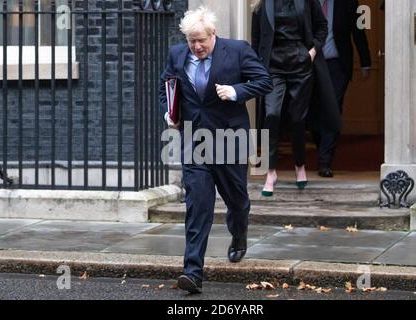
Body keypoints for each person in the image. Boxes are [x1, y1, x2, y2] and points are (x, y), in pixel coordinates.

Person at [159, 7, 272, 293]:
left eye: (201, 41)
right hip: (194, 141)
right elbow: (166, 87)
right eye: (191, 41)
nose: (196, 47)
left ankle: (239, 233)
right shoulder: (177, 55)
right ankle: (192, 272)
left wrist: (235, 92)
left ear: (214, 34)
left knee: (237, 200)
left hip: (229, 139)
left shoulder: (237, 51)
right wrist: (168, 113)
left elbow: (264, 81)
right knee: (198, 206)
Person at [252, 0, 340, 196]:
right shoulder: (263, 5)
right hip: (273, 66)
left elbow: (322, 27)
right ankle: (271, 172)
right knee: (271, 114)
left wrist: (312, 52)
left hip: (300, 64)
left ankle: (299, 165)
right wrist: (257, 68)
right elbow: (256, 40)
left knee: (297, 118)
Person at [311, 0, 371, 178]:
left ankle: (325, 161)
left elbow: (357, 31)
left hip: (338, 65)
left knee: (333, 109)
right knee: (314, 111)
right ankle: (322, 146)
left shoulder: (348, 2)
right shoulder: (307, 3)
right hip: (312, 65)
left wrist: (365, 61)